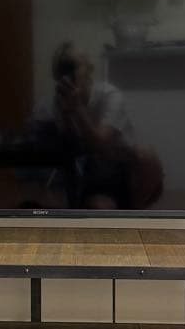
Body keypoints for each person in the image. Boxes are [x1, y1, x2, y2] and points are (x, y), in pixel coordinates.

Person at [31, 42, 163, 210]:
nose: (69, 73)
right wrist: (66, 114)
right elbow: (70, 149)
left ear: (89, 69)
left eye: (73, 66)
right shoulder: (59, 103)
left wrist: (78, 108)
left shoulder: (110, 95)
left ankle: (133, 211)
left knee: (146, 154)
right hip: (96, 172)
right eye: (63, 68)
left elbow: (100, 142)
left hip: (125, 167)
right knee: (100, 207)